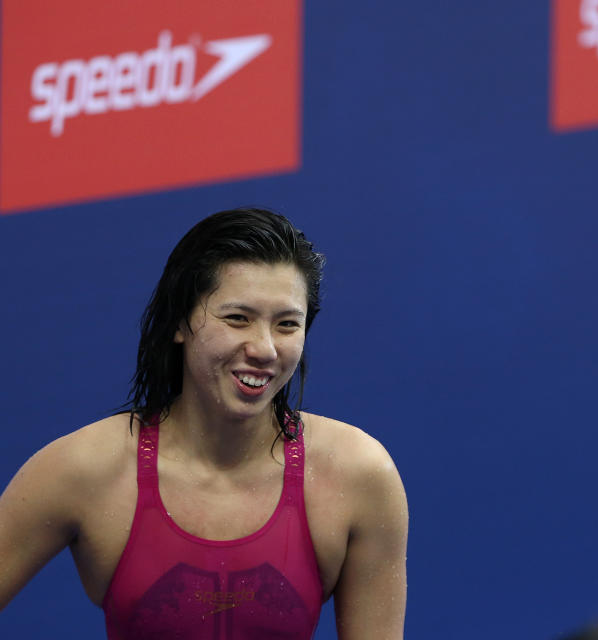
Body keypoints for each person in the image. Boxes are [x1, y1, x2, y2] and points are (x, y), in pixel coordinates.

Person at [0, 208, 408, 638]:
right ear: (180, 322)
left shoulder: (359, 475)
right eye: (238, 318)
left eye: (287, 324)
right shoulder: (83, 470)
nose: (265, 349)